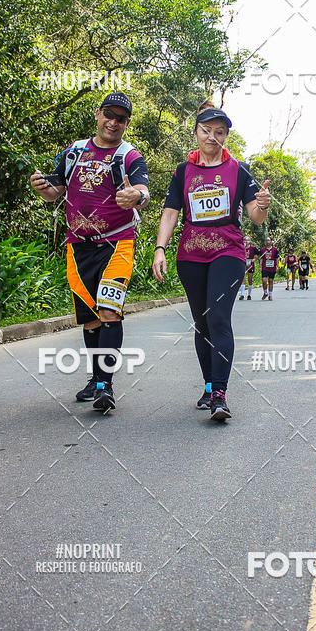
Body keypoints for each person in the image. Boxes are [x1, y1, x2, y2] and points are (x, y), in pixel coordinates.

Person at [30, 92, 150, 412]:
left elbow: (143, 191)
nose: (114, 122)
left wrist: (134, 197)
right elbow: (55, 190)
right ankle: (96, 379)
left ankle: (105, 387)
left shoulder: (129, 156)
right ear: (98, 115)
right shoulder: (74, 151)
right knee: (91, 321)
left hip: (116, 245)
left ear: (126, 124)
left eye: (121, 118)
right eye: (109, 114)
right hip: (78, 247)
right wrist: (43, 188)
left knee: (109, 311)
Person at [152, 101, 270, 421]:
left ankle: (220, 393)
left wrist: (262, 204)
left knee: (218, 318)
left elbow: (255, 217)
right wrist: (160, 248)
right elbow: (171, 213)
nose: (212, 137)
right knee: (202, 323)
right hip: (190, 255)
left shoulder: (238, 169)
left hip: (228, 252)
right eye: (206, 131)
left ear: (226, 137)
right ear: (195, 134)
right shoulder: (182, 172)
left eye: (220, 132)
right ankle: (207, 386)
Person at [240, 236, 259, 300]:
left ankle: (249, 295)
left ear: (250, 241)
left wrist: (255, 259)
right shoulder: (241, 248)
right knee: (243, 280)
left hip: (250, 265)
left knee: (250, 280)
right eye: (244, 240)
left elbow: (259, 254)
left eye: (247, 240)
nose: (245, 241)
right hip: (243, 265)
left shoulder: (253, 248)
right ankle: (242, 295)